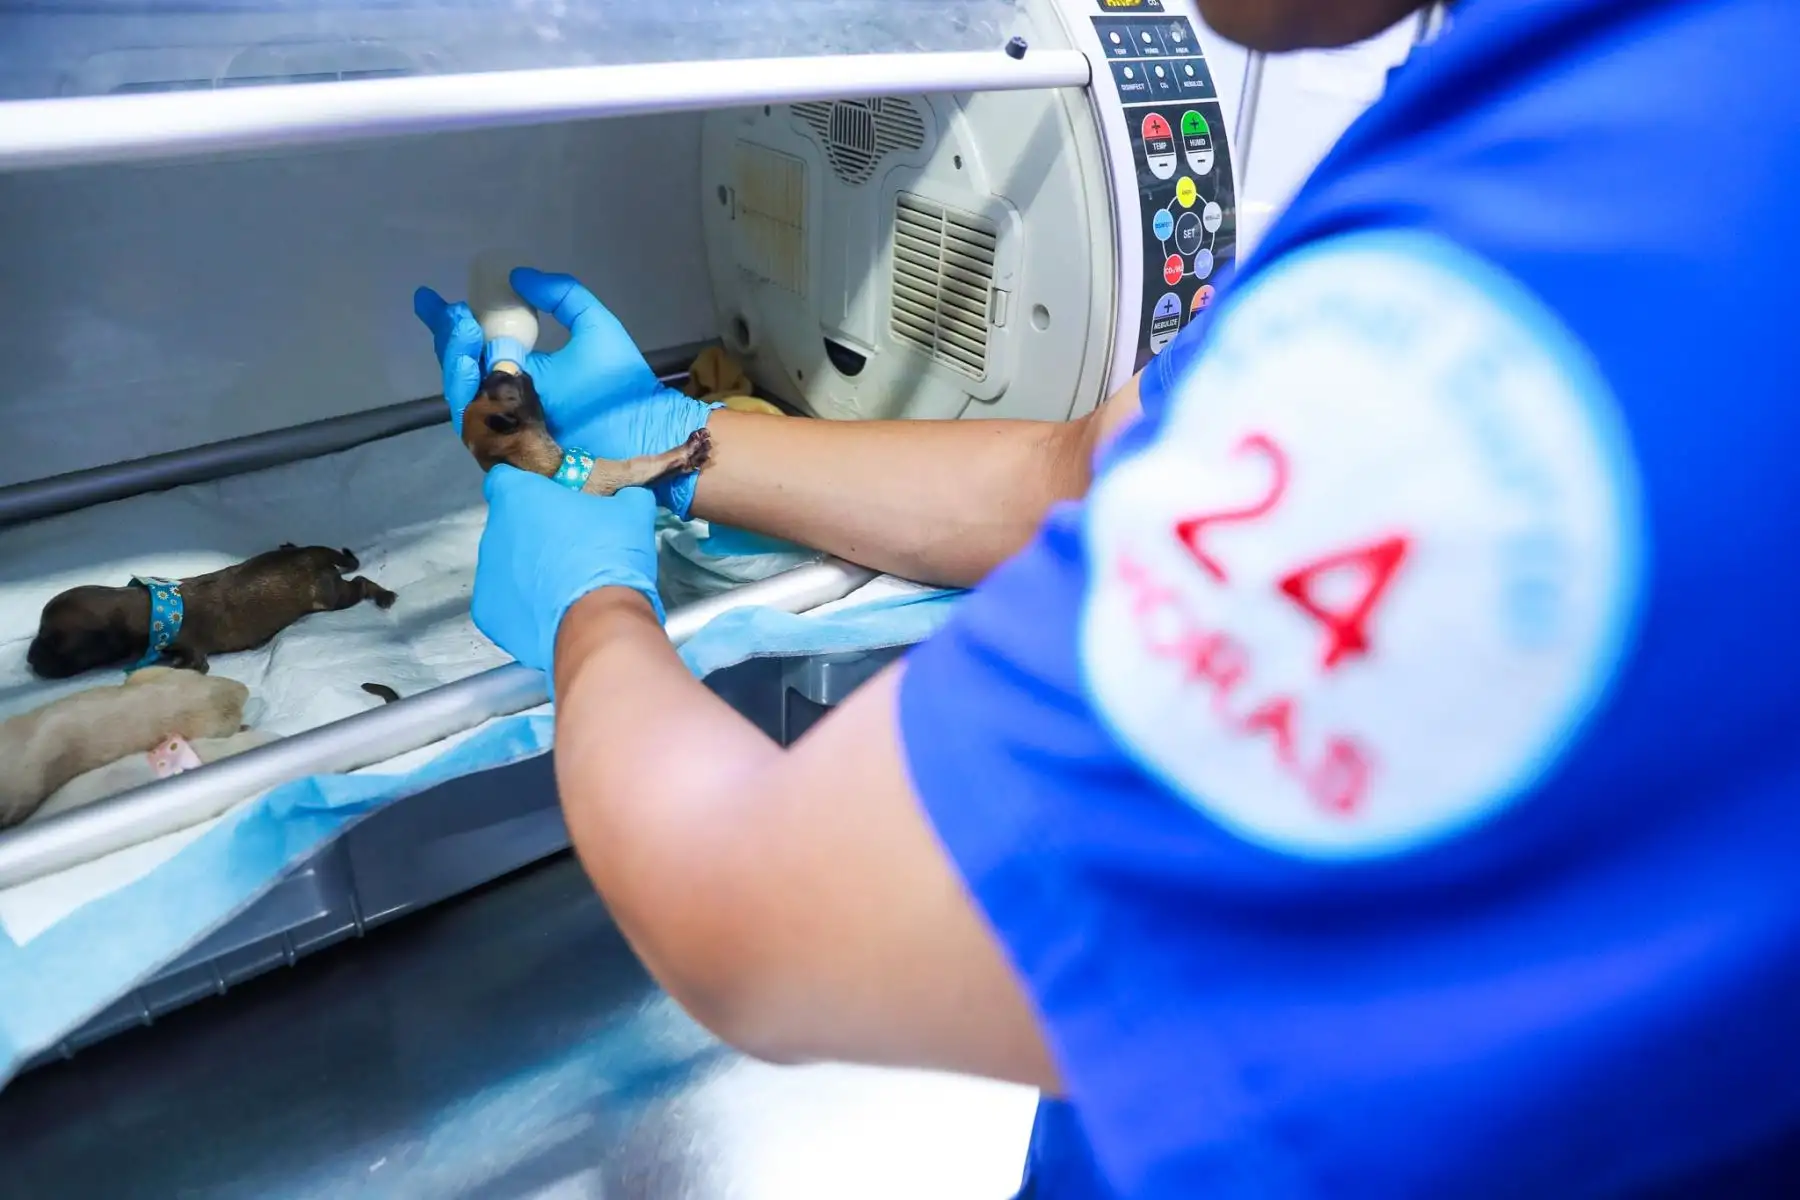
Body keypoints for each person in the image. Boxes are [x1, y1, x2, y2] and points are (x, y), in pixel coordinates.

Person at [412, 0, 1800, 1194]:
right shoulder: (1614, 80)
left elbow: (754, 914)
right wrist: (673, 451)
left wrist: (590, 611)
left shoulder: (1582, 242)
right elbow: (1093, 466)